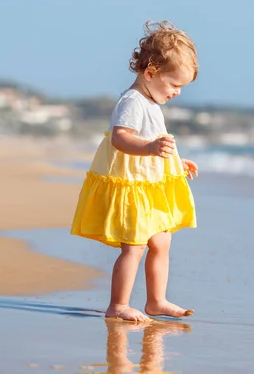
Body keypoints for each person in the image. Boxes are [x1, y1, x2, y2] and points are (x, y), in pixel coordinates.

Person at [71, 20, 199, 322]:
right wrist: (151, 149)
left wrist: (174, 163)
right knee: (135, 246)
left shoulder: (151, 101)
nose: (178, 92)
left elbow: (151, 146)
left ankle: (156, 301)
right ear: (151, 73)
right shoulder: (132, 101)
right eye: (175, 84)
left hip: (148, 183)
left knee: (162, 240)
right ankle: (118, 305)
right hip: (132, 188)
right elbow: (121, 138)